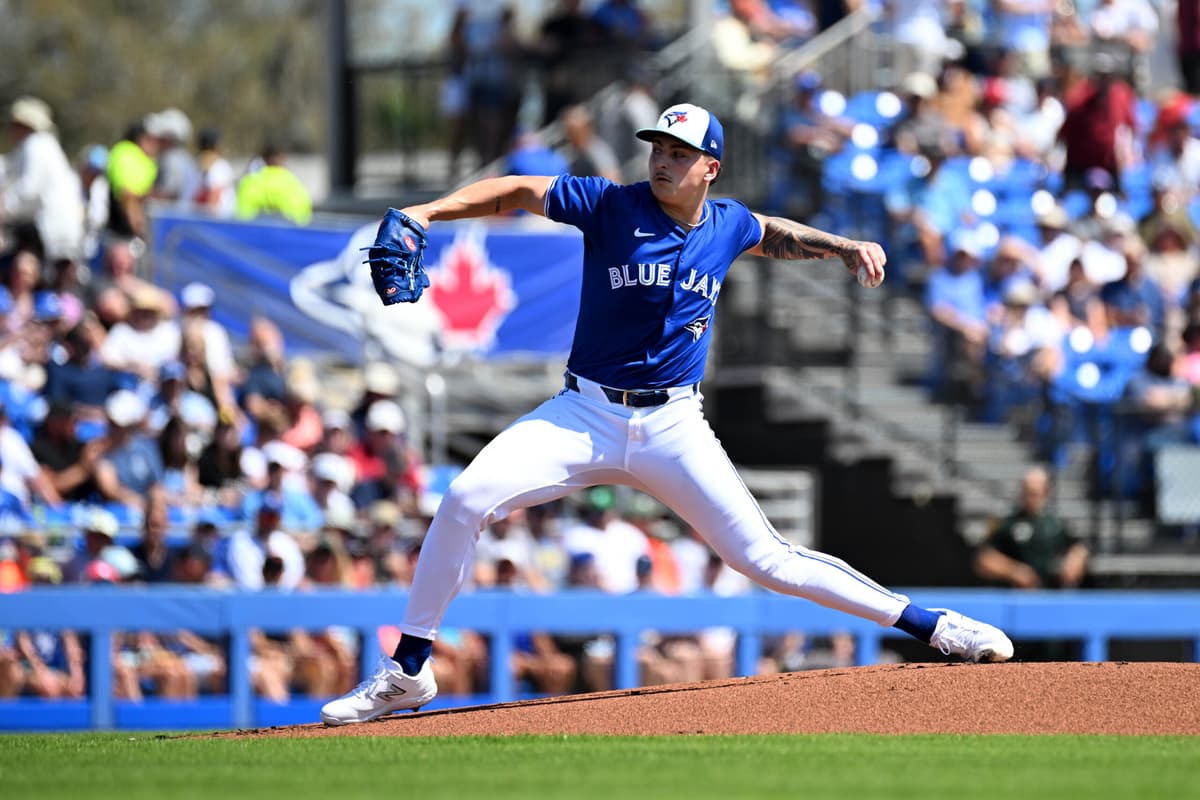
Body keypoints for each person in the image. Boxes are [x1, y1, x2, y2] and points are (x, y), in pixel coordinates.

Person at [319, 101, 1014, 726]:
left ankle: (935, 626)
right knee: (465, 497)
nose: (661, 159)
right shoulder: (611, 205)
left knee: (766, 558)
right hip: (582, 413)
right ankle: (408, 670)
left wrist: (841, 246)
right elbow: (516, 191)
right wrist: (426, 213)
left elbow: (770, 231)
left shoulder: (727, 223)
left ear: (710, 167)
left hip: (673, 425)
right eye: (657, 147)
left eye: (679, 153)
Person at [974, 466, 1090, 590]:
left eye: (1036, 493)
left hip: (1053, 594)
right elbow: (985, 559)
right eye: (1028, 492)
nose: (1031, 498)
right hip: (1018, 596)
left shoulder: (1057, 522)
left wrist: (1074, 561)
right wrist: (1015, 571)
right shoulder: (1009, 522)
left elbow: (1078, 548)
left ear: (1046, 492)